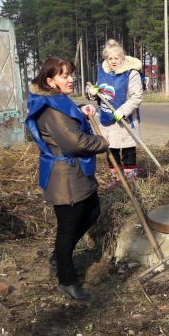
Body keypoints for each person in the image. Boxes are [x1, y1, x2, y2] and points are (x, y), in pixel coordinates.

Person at [25, 57, 109, 301]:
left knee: (92, 212)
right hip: (65, 177)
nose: (71, 79)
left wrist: (82, 108)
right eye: (65, 75)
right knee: (67, 228)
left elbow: (69, 116)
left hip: (77, 173)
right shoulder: (49, 109)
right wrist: (102, 143)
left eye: (71, 74)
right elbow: (75, 141)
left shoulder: (56, 100)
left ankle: (59, 257)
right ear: (50, 81)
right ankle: (66, 280)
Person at [88, 39, 143, 187]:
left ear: (122, 57)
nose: (113, 61)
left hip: (125, 120)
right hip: (106, 119)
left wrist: (122, 111)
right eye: (109, 58)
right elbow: (99, 91)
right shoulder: (103, 72)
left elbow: (136, 97)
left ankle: (130, 180)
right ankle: (117, 180)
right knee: (110, 150)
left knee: (128, 150)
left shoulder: (131, 73)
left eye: (116, 58)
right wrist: (93, 93)